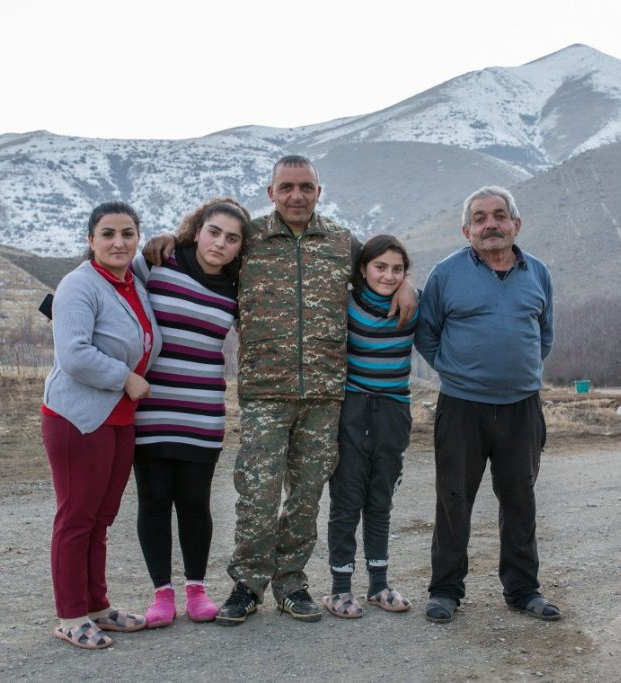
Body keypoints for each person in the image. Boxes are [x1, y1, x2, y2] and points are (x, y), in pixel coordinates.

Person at [145, 155, 416, 626]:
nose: (296, 195)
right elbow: (206, 252)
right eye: (286, 187)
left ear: (318, 192)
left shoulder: (339, 243)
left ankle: (291, 582)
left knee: (307, 494)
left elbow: (379, 268)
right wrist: (171, 239)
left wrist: (406, 282)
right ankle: (248, 584)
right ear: (271, 192)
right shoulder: (248, 240)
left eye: (306, 187)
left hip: (325, 396)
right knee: (258, 493)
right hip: (266, 392)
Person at [414, 185, 559, 624]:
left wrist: (517, 372)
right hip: (462, 407)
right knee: (454, 499)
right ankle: (445, 591)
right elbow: (427, 333)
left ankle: (522, 590)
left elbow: (545, 334)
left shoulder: (539, 273)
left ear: (516, 224)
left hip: (521, 407)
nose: (490, 224)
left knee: (520, 499)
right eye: (480, 218)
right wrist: (459, 371)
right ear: (466, 229)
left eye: (499, 215)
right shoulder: (446, 273)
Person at [41, 201, 162, 649]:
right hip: (78, 418)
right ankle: (71, 615)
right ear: (91, 240)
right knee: (76, 516)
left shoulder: (134, 283)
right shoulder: (79, 285)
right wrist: (125, 377)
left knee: (100, 518)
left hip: (120, 419)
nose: (118, 242)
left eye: (128, 233)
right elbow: (72, 354)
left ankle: (97, 606)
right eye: (108, 233)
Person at [129, 198, 250, 627]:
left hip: (202, 412)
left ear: (240, 247)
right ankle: (162, 595)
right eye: (214, 232)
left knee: (196, 504)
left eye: (232, 238)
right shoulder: (158, 264)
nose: (220, 243)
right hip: (151, 408)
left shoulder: (238, 288)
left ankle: (196, 590)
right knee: (155, 501)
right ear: (197, 230)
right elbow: (108, 283)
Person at [323, 235, 418, 619]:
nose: (389, 275)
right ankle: (339, 591)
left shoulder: (413, 302)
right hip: (353, 410)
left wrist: (410, 286)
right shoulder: (344, 302)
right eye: (380, 267)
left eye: (398, 269)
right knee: (346, 500)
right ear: (362, 269)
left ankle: (379, 585)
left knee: (381, 500)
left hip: (394, 410)